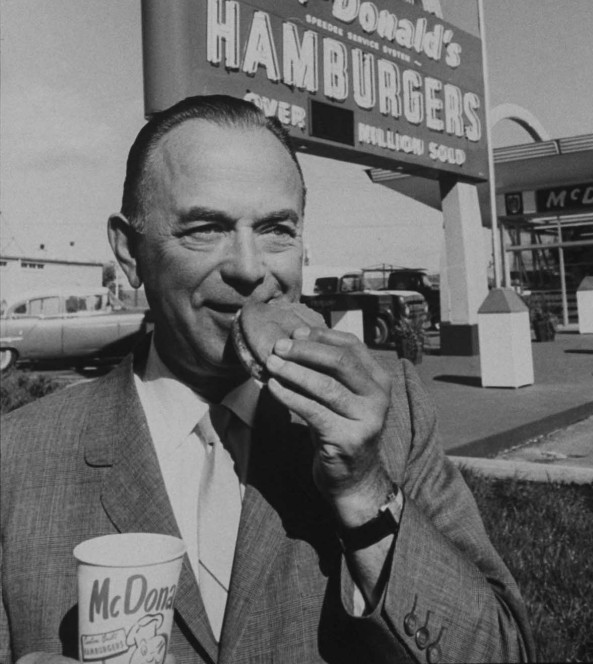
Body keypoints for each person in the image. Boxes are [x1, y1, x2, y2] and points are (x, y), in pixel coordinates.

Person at [1, 94, 534, 663]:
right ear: (130, 253)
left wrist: (362, 489)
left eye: (277, 230)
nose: (251, 269)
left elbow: (500, 652)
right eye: (206, 229)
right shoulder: (18, 458)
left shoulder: (391, 408)